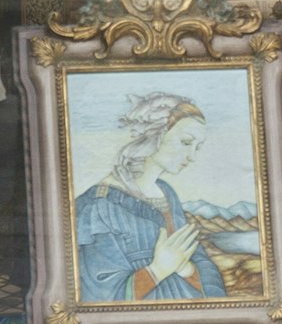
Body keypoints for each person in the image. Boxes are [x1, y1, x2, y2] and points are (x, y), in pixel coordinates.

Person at [74, 93, 225, 302]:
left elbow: (198, 259)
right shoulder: (97, 206)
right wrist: (157, 270)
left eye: (197, 147)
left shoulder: (167, 194)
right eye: (186, 142)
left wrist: (186, 268)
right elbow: (94, 297)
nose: (192, 156)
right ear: (154, 135)